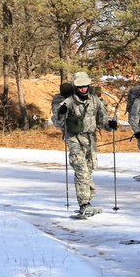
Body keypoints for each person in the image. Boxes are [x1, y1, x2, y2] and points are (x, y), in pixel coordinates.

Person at [55, 71, 116, 217]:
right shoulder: (69, 101)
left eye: (85, 86)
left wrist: (111, 124)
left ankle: (88, 200)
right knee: (81, 168)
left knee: (90, 168)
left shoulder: (95, 100)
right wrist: (61, 112)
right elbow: (57, 122)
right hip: (74, 138)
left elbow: (103, 118)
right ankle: (84, 203)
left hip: (90, 139)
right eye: (80, 86)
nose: (83, 89)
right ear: (76, 87)